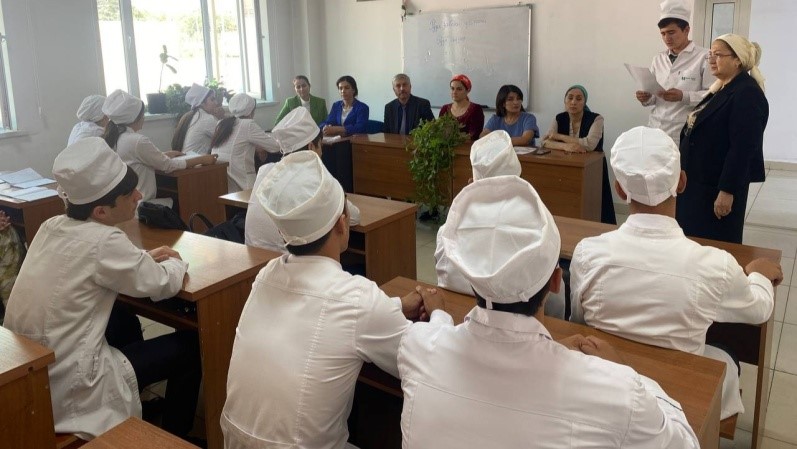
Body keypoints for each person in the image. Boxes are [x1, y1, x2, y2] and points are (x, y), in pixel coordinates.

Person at [398, 175, 699, 448]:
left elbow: (436, 340)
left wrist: (439, 316)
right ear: (556, 281)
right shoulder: (619, 391)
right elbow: (685, 442)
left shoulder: (415, 347)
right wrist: (627, 371)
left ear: (470, 275)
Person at [221, 150, 438, 449]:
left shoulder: (267, 275)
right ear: (342, 223)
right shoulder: (357, 297)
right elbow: (427, 363)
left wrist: (397, 306)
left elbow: (323, 310)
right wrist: (439, 316)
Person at [569, 126, 782, 420]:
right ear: (681, 182)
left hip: (606, 384)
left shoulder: (587, 252)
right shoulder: (714, 264)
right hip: (677, 397)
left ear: (620, 190)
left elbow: (578, 319)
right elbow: (759, 310)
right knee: (724, 358)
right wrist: (758, 274)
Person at [3, 138, 202, 440]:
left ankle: (141, 408)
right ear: (100, 212)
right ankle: (174, 438)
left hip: (39, 368)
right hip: (72, 385)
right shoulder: (105, 242)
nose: (138, 196)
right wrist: (176, 261)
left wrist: (141, 259)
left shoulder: (51, 226)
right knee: (191, 345)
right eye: (129, 194)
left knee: (124, 319)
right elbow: (162, 284)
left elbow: (90, 264)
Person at [676, 34, 768, 243]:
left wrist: (727, 190)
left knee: (714, 244)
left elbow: (743, 148)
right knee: (695, 241)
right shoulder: (723, 87)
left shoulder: (747, 93)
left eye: (718, 55)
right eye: (710, 54)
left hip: (716, 186)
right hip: (699, 181)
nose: (711, 59)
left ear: (737, 60)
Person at [245, 107, 360, 252]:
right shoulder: (315, 178)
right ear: (312, 147)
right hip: (287, 261)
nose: (321, 153)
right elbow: (354, 217)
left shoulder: (265, 170)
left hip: (252, 257)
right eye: (320, 147)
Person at [102, 90, 217, 207]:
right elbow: (168, 166)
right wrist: (202, 159)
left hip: (130, 202)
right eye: (142, 114)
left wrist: (164, 154)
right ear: (135, 117)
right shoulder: (137, 141)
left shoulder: (116, 138)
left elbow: (137, 158)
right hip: (143, 204)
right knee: (185, 200)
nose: (143, 117)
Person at [635, 0, 713, 143]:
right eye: (663, 33)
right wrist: (646, 98)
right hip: (655, 128)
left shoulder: (705, 57)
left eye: (671, 32)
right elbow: (654, 98)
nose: (667, 38)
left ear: (686, 30)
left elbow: (712, 97)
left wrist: (684, 96)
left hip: (684, 132)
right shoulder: (658, 59)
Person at [543, 85, 616, 224]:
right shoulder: (559, 118)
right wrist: (566, 146)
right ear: (565, 101)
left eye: (578, 99)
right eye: (570, 98)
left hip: (593, 168)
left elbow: (589, 144)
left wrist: (558, 136)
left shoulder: (596, 119)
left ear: (584, 102)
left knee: (595, 206)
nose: (573, 102)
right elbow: (545, 142)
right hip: (567, 165)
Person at [210, 93, 279, 192]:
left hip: (223, 180)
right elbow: (275, 146)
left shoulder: (221, 123)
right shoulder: (248, 124)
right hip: (241, 182)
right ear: (251, 111)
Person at [171, 83, 224, 154]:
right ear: (201, 103)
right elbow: (227, 138)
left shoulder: (191, 115)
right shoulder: (206, 118)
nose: (216, 103)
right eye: (212, 99)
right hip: (197, 160)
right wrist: (221, 118)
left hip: (186, 159)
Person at [439, 74, 484, 141]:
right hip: (446, 146)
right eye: (452, 88)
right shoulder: (444, 109)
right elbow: (439, 132)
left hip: (468, 147)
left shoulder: (476, 109)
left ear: (467, 91)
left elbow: (474, 136)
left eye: (459, 89)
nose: (454, 92)